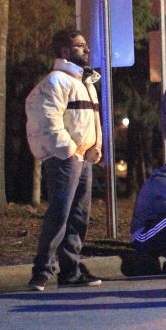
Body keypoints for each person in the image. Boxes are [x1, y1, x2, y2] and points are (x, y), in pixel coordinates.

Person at [25, 29, 103, 291]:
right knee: (59, 214)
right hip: (66, 158)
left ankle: (70, 272)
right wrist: (68, 149)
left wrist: (95, 147)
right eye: (81, 46)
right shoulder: (56, 81)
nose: (87, 50)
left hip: (82, 157)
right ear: (65, 52)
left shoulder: (85, 82)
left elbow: (92, 120)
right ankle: (41, 272)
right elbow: (47, 119)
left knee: (78, 217)